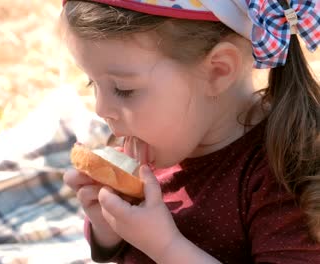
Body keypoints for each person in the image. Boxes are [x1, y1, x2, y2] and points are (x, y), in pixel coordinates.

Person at [61, 0, 320, 263]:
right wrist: (107, 227)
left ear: (218, 71)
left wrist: (166, 247)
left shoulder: (285, 176)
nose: (101, 108)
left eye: (123, 89)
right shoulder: (153, 143)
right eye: (93, 82)